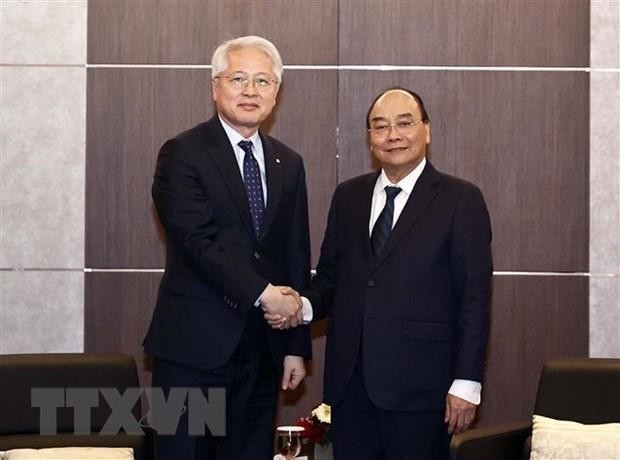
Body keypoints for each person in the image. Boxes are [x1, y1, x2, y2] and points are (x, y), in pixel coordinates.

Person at [278, 88, 493, 459]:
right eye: (381, 126)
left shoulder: (461, 199)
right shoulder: (348, 197)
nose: (393, 135)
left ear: (427, 130)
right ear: (370, 138)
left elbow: (474, 298)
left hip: (422, 388)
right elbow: (330, 278)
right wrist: (301, 307)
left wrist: (467, 382)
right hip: (349, 386)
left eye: (405, 123)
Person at [143, 35, 311, 460]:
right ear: (215, 86)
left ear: (276, 92)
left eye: (263, 81)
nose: (250, 91)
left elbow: (295, 253)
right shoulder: (183, 153)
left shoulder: (288, 163)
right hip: (191, 353)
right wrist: (266, 294)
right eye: (238, 79)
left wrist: (295, 346)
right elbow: (198, 244)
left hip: (262, 351)